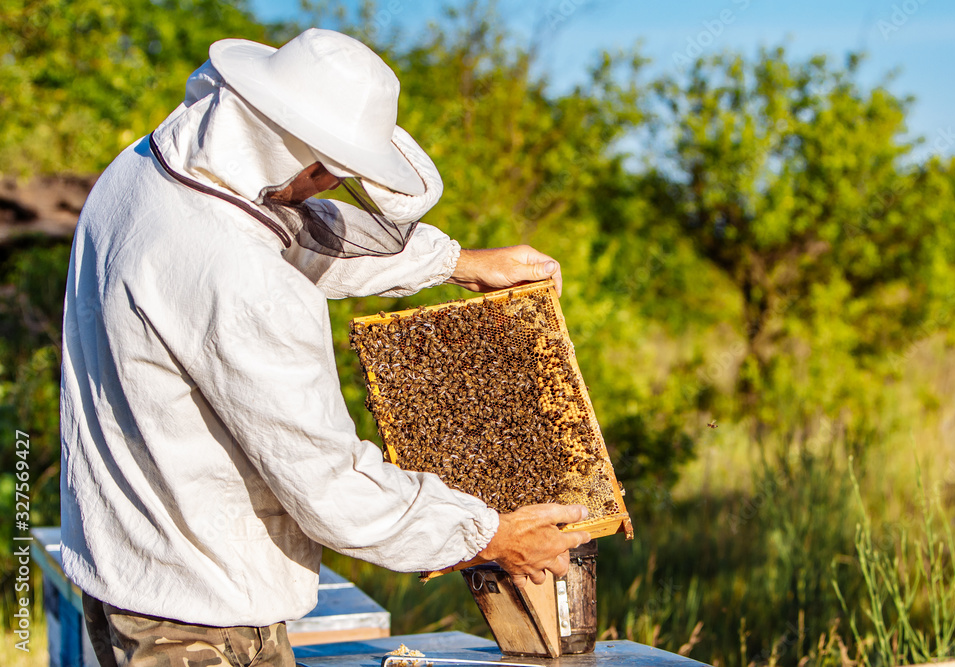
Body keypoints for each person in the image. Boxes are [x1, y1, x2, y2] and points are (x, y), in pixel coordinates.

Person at [60, 28, 590, 667]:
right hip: (198, 621)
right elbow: (333, 491)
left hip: (134, 569)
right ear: (303, 162)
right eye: (330, 174)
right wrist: (493, 535)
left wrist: (457, 262)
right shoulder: (246, 281)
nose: (329, 191)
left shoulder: (148, 171)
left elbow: (287, 229)